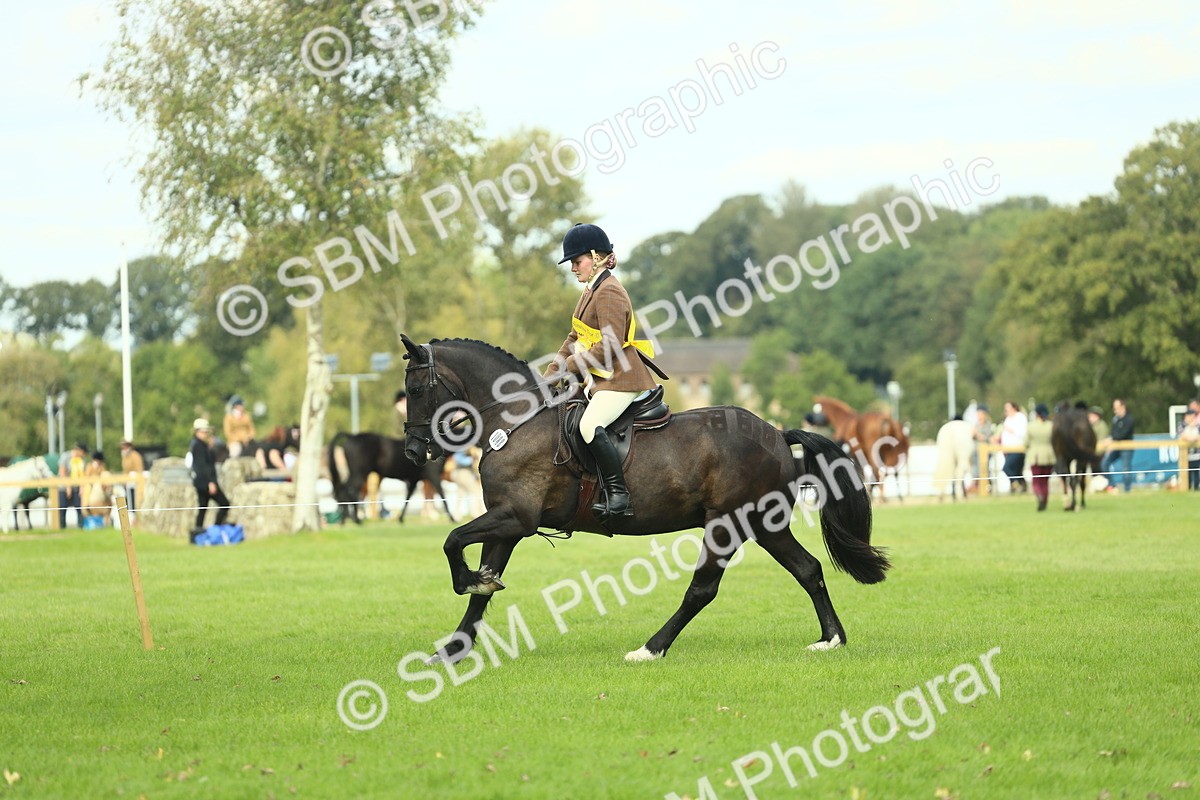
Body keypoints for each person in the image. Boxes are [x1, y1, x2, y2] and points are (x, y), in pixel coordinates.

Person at [541, 223, 667, 522]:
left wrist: (569, 367)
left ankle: (619, 494)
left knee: (589, 425)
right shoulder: (591, 290)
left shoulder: (609, 291)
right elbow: (574, 338)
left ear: (596, 257)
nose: (573, 268)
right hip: (603, 376)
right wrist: (549, 375)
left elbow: (610, 345)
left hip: (622, 377)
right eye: (572, 262)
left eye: (577, 261)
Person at [187, 418, 230, 539]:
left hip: (201, 482)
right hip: (205, 482)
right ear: (197, 432)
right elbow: (203, 466)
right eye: (203, 431)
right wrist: (211, 482)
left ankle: (197, 534)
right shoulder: (199, 446)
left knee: (203, 507)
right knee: (224, 504)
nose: (206, 434)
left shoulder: (199, 445)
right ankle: (215, 529)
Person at [1100, 398, 1136, 493]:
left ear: (1123, 407)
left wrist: (1112, 439)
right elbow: (1113, 433)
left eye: (1117, 407)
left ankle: (1127, 491)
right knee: (1105, 463)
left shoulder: (1129, 419)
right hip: (1116, 447)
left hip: (1126, 447)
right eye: (1114, 408)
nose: (1115, 410)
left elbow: (1123, 434)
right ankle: (1112, 485)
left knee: (1126, 468)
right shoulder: (1115, 420)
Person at [994, 401, 1028, 493]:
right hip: (1008, 449)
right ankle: (1021, 487)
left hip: (1018, 448)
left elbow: (1022, 433)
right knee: (1017, 471)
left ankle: (1017, 485)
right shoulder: (1008, 419)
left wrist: (1010, 430)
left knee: (1007, 468)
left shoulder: (1020, 417)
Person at [1026, 404, 1055, 511]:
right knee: (1045, 481)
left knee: (1036, 480)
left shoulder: (1031, 426)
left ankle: (1039, 495)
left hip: (1035, 456)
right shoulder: (1051, 426)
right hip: (1049, 455)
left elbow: (1026, 442)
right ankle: (1045, 499)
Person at [58, 442, 87, 528]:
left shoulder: (82, 460)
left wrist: (82, 487)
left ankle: (81, 527)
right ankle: (62, 528)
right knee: (62, 508)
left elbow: (83, 474)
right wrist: (68, 487)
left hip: (76, 487)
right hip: (63, 487)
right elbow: (62, 472)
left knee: (79, 508)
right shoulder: (65, 457)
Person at [83, 451, 112, 519]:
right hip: (91, 491)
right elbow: (87, 478)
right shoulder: (89, 467)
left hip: (100, 491)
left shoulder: (103, 469)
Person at [120, 440, 145, 513]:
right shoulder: (124, 457)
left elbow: (139, 470)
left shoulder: (135, 456)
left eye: (125, 447)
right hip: (127, 482)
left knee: (136, 502)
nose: (123, 449)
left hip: (136, 482)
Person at [1180, 409, 1200, 491]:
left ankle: (1196, 489)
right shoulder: (1182, 425)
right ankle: (1186, 489)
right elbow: (1182, 436)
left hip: (1196, 454)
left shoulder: (1198, 426)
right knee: (1186, 473)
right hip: (1185, 455)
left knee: (1196, 473)